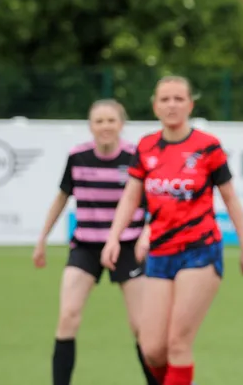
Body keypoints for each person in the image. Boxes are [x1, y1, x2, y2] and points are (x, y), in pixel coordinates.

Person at [101, 75, 243, 385]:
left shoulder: (207, 146)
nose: (171, 105)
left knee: (177, 343)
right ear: (154, 106)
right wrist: (113, 238)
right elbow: (131, 197)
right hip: (159, 254)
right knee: (152, 350)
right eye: (165, 99)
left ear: (190, 104)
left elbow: (230, 199)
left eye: (178, 99)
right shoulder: (146, 147)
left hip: (199, 252)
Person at [32, 98, 156, 385]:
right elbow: (62, 198)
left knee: (141, 327)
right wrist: (42, 239)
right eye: (99, 121)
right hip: (86, 246)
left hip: (128, 246)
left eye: (111, 120)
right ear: (90, 126)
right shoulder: (78, 156)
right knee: (68, 317)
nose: (105, 126)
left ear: (121, 124)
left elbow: (153, 204)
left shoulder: (136, 157)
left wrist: (146, 237)